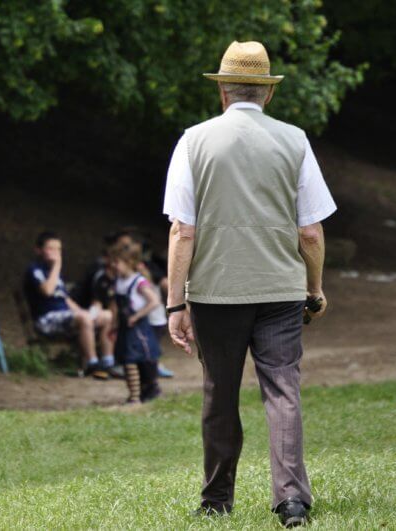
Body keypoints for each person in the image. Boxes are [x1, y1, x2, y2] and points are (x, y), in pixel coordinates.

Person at [163, 41, 335, 527]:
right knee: (283, 389)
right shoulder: (295, 140)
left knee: (219, 391)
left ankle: (217, 499)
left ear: (222, 90)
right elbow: (310, 230)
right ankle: (292, 501)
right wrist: (314, 288)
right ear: (267, 94)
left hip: (217, 293)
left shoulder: (193, 141)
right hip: (281, 291)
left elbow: (183, 231)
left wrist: (176, 305)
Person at [23, 231, 115, 379]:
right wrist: (57, 265)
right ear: (38, 250)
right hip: (46, 320)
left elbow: (65, 299)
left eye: (58, 249)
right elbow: (47, 291)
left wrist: (85, 313)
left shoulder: (54, 272)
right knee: (84, 318)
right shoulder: (35, 270)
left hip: (65, 317)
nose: (56, 253)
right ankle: (92, 364)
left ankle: (108, 362)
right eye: (50, 248)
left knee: (107, 316)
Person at [110, 242, 162, 404]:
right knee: (127, 360)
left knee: (138, 360)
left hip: (138, 327)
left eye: (117, 262)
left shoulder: (138, 281)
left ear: (129, 263)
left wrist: (137, 316)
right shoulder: (119, 281)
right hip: (125, 326)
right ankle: (134, 394)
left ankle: (141, 393)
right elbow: (115, 306)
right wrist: (113, 323)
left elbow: (154, 301)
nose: (114, 266)